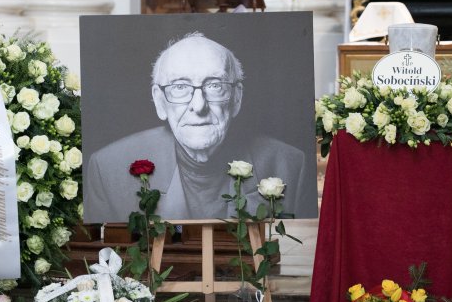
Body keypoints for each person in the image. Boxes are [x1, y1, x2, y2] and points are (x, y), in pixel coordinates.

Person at [85, 32, 314, 223]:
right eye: (180, 87)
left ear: (236, 98)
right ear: (160, 101)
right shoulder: (108, 170)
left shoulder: (291, 166)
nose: (199, 105)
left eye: (214, 85)